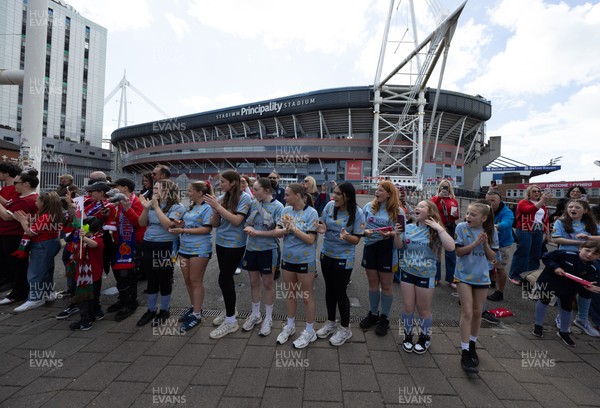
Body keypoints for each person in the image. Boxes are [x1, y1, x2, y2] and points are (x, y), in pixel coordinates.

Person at [395, 200, 454, 353]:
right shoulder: (408, 227)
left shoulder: (435, 231)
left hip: (426, 275)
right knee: (408, 307)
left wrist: (439, 228)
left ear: (430, 212)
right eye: (417, 206)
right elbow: (400, 246)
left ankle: (424, 337)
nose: (417, 208)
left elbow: (451, 247)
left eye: (422, 206)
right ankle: (408, 335)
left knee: (423, 310)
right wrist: (396, 234)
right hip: (407, 272)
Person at [315, 182, 365, 346]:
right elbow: (321, 223)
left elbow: (356, 239)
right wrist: (321, 229)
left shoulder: (357, 213)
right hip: (326, 254)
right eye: (334, 193)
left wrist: (347, 237)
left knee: (340, 292)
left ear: (348, 196)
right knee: (329, 290)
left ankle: (345, 328)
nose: (334, 196)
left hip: (344, 258)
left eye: (338, 194)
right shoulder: (329, 206)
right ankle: (331, 322)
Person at [204, 170, 252, 339]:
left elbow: (237, 221)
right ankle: (230, 309)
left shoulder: (245, 197)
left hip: (235, 244)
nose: (220, 184)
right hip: (221, 242)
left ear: (233, 182)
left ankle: (231, 321)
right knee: (227, 279)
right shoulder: (223, 198)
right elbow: (216, 224)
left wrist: (217, 206)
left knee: (223, 279)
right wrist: (215, 210)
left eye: (223, 181)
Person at [455, 202, 498, 373]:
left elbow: (493, 258)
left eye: (473, 214)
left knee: (478, 312)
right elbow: (458, 252)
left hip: (482, 276)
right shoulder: (460, 228)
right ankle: (464, 350)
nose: (468, 217)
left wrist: (485, 244)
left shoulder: (492, 231)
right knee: (467, 312)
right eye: (468, 213)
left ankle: (473, 343)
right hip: (463, 275)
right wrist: (474, 244)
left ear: (483, 218)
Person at [275, 183, 319, 348]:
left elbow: (310, 239)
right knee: (290, 294)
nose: (284, 198)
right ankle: (290, 326)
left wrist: (293, 229)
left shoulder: (311, 213)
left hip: (305, 261)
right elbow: (276, 232)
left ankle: (309, 331)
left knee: (307, 297)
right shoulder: (286, 211)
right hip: (287, 260)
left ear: (298, 196)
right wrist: (285, 230)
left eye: (287, 195)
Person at [532, 242, 600, 347]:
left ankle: (563, 332)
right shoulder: (566, 253)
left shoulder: (593, 268)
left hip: (569, 288)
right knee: (543, 301)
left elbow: (589, 281)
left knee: (567, 308)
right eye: (587, 250)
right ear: (581, 248)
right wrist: (555, 267)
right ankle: (538, 325)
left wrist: (587, 285)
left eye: (595, 254)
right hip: (549, 281)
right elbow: (546, 257)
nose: (590, 255)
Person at [137, 179, 185, 327]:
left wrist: (156, 208)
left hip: (166, 245)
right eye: (155, 188)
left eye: (158, 189)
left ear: (168, 191)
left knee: (164, 277)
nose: (155, 191)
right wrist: (146, 208)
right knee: (151, 278)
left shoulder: (178, 207)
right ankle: (151, 310)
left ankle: (164, 309)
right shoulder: (151, 205)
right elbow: (142, 223)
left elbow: (168, 226)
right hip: (148, 244)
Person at [359, 181, 403, 336]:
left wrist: (390, 234)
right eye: (376, 190)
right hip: (370, 248)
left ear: (389, 194)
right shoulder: (368, 207)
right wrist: (364, 232)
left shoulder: (398, 211)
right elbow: (360, 227)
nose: (376, 192)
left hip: (387, 249)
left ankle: (385, 317)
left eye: (380, 190)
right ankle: (373, 313)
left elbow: (401, 236)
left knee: (386, 285)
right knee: (372, 284)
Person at [241, 178, 284, 337]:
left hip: (268, 250)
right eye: (252, 188)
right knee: (253, 283)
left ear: (266, 190)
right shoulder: (252, 203)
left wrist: (256, 232)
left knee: (268, 284)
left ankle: (269, 318)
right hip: (251, 249)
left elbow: (279, 232)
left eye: (256, 189)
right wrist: (249, 228)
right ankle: (255, 314)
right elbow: (245, 223)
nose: (253, 192)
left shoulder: (279, 206)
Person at [168, 181, 213, 332]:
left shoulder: (208, 208)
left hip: (199, 249)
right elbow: (185, 224)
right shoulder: (190, 206)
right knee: (187, 280)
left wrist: (183, 231)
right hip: (184, 248)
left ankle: (197, 315)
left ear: (200, 192)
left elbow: (206, 229)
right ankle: (195, 308)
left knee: (195, 280)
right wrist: (177, 224)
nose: (188, 193)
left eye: (190, 190)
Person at [551, 199, 600, 337]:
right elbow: (556, 239)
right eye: (570, 207)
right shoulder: (560, 222)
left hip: (589, 262)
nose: (573, 209)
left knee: (588, 289)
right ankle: (562, 316)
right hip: (568, 260)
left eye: (577, 207)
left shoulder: (592, 224)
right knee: (566, 290)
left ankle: (582, 319)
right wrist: (581, 242)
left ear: (585, 210)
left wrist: (590, 238)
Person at [12, 192, 63, 312]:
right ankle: (48, 293)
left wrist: (23, 221)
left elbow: (31, 232)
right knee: (47, 271)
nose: (35, 202)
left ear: (43, 203)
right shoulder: (53, 214)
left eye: (37, 201)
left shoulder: (45, 216)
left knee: (35, 273)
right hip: (51, 243)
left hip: (42, 246)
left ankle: (35, 298)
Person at [106, 178, 145, 322]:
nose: (114, 189)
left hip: (134, 243)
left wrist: (128, 209)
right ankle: (123, 299)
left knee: (128, 274)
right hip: (119, 242)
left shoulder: (137, 202)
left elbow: (139, 222)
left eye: (117, 187)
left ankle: (131, 302)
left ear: (125, 188)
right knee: (119, 273)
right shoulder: (116, 202)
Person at [0, 169, 40, 305]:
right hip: (8, 234)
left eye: (16, 182)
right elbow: (8, 205)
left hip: (14, 235)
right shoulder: (20, 196)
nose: (14, 185)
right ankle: (18, 291)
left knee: (17, 266)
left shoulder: (28, 200)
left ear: (26, 184)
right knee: (14, 265)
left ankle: (18, 293)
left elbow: (6, 216)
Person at [509, 185, 551, 284]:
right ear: (528, 193)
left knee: (535, 254)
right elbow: (529, 210)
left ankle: (531, 275)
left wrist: (547, 233)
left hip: (538, 230)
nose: (537, 193)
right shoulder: (523, 203)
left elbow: (545, 219)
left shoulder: (542, 205)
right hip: (525, 229)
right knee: (523, 253)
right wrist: (542, 201)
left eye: (538, 191)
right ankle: (515, 275)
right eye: (534, 191)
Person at [68, 217, 105, 330]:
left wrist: (83, 238)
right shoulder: (84, 238)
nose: (81, 228)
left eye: (84, 225)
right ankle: (95, 313)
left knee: (86, 299)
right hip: (88, 273)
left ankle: (85, 321)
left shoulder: (98, 238)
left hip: (90, 275)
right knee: (92, 298)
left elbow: (94, 245)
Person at [486, 191, 515, 302]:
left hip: (502, 244)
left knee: (500, 268)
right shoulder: (484, 209)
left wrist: (494, 227)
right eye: (488, 200)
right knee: (489, 264)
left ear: (499, 201)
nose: (490, 203)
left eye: (493, 200)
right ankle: (492, 281)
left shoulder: (507, 212)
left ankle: (499, 292)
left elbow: (507, 223)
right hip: (488, 242)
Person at [430, 180, 459, 287]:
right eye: (442, 187)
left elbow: (456, 217)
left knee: (450, 253)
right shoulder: (434, 198)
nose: (444, 189)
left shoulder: (453, 201)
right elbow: (431, 208)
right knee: (436, 254)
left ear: (449, 188)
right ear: (439, 188)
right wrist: (439, 198)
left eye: (446, 187)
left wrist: (454, 214)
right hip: (437, 227)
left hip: (449, 228)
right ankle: (436, 277)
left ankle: (451, 278)